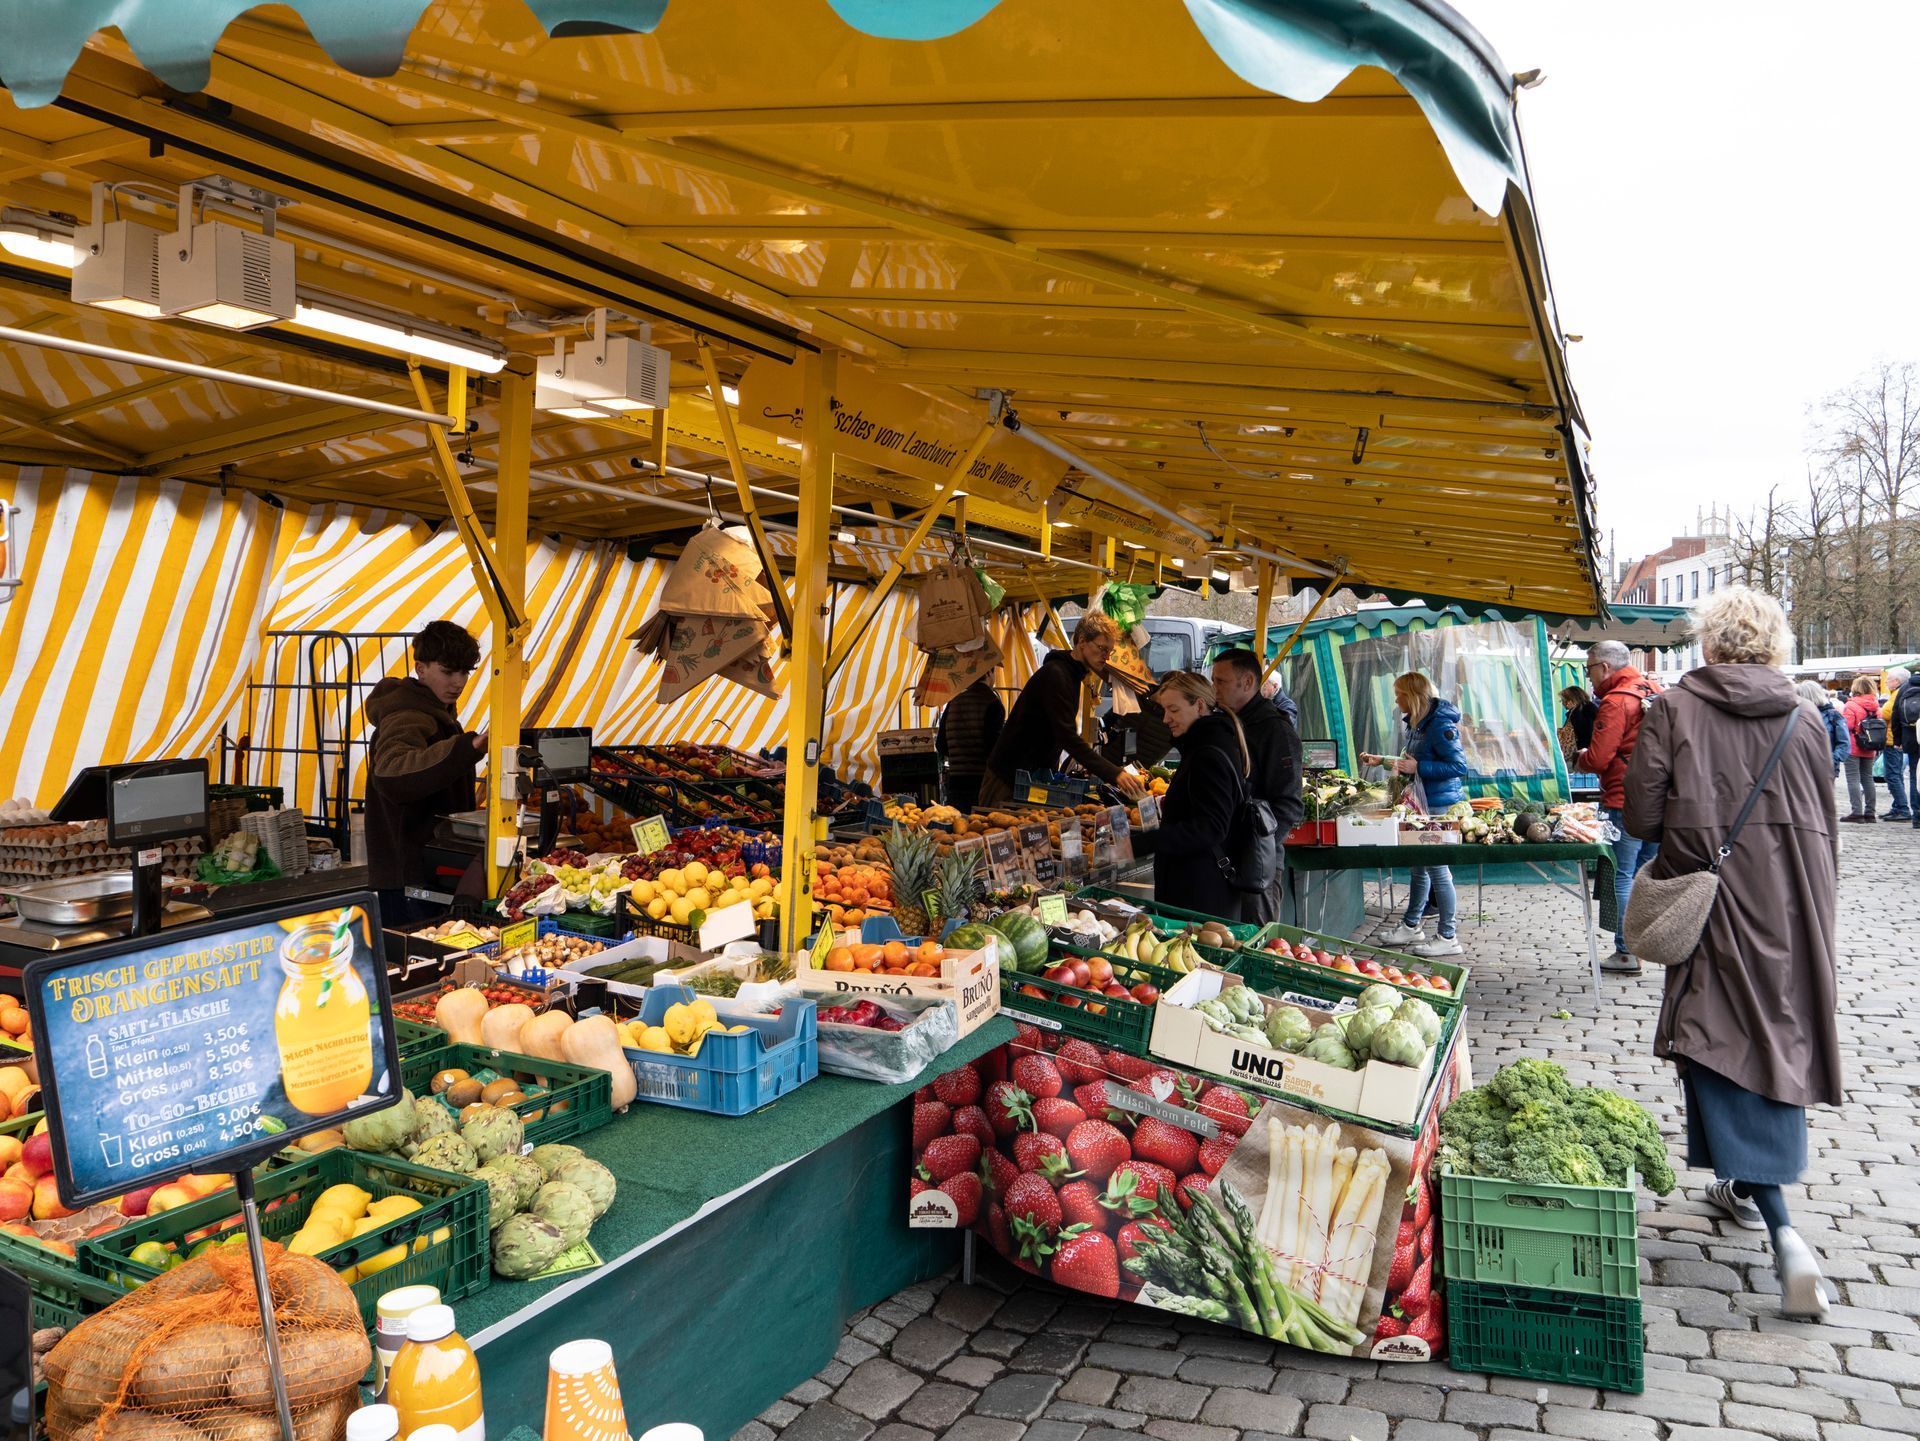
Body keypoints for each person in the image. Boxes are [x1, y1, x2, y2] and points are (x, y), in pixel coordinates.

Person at [1623, 587, 1839, 1321]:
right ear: (1775, 644)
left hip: (1710, 905)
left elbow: (1642, 815)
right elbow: (1823, 824)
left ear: (1709, 644)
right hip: (1790, 908)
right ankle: (1745, 1189)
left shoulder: (1675, 707)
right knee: (1772, 1040)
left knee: (1716, 1041)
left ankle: (1784, 1230)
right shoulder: (1808, 717)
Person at [365, 620, 487, 927]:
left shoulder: (436, 711)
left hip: (426, 869)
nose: (457, 682)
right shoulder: (407, 713)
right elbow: (392, 771)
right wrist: (467, 747)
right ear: (421, 668)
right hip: (409, 876)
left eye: (464, 672)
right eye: (447, 671)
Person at [980, 610, 1146, 806]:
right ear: (1082, 641)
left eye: (1109, 651)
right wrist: (1114, 773)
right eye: (1102, 648)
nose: (1106, 656)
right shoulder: (1056, 675)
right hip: (1007, 778)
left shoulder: (1073, 676)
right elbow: (1066, 736)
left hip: (1031, 778)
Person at [1573, 639, 1663, 976]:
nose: (1589, 678)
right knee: (1647, 875)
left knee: (1623, 876)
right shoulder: (1654, 690)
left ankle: (1626, 952)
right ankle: (1646, 946)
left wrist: (1580, 758)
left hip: (1624, 798)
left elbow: (1599, 758)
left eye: (1589, 669)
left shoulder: (1616, 702)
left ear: (1605, 667)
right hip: (1660, 797)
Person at [1364, 673, 1468, 959]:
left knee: (1437, 869)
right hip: (1421, 805)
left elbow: (1459, 766)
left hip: (1438, 806)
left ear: (1412, 695)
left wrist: (1419, 767)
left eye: (1399, 694)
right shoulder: (1417, 723)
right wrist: (1383, 760)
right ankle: (1412, 924)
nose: (1396, 700)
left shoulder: (1440, 725)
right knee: (1418, 867)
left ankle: (1448, 935)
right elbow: (1412, 760)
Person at [1211, 648, 1304, 924]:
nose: (1214, 688)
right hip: (1222, 858)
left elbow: (1290, 804)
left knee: (1255, 941)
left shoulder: (1276, 730)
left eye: (1221, 681)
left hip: (1257, 867)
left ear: (1248, 683)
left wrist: (1257, 849)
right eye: (1213, 680)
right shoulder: (1225, 722)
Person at [1152, 671, 1252, 922]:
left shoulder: (1207, 753)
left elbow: (1211, 827)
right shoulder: (1209, 743)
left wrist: (1145, 842)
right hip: (1200, 887)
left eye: (1173, 710)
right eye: (1164, 710)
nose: (1166, 719)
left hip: (1200, 893)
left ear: (1198, 706)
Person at [934, 676, 1004, 815]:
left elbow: (941, 745)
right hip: (981, 784)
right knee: (980, 827)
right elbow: (994, 749)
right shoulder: (993, 703)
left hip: (956, 782)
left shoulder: (953, 702)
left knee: (958, 828)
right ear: (990, 672)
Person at [1840, 676, 1883, 822]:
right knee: (1868, 778)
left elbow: (1847, 726)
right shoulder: (1876, 706)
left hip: (1853, 746)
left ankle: (1857, 812)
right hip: (1870, 746)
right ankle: (1870, 812)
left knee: (1853, 779)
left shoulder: (1851, 705)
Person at [1878, 668, 1913, 821]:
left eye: (1889, 679)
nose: (1886, 682)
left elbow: (1886, 713)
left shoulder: (1897, 694)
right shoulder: (1897, 693)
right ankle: (1897, 806)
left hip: (1892, 740)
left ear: (1897, 681)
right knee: (1895, 774)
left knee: (1892, 775)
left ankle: (1902, 808)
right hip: (1893, 739)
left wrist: (1879, 711)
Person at [1798, 681, 1849, 779]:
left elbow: (1844, 743)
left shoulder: (1833, 715)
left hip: (1825, 769)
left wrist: (1832, 760)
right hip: (1802, 767)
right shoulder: (1798, 714)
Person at [1894, 667, 1920, 830]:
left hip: (1910, 736)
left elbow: (1896, 713)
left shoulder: (1905, 687)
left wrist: (1898, 740)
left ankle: (1917, 815)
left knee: (1914, 775)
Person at [1560, 684, 1599, 752]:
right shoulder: (1589, 707)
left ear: (1570, 700)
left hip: (1585, 751)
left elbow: (1581, 731)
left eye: (1563, 700)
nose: (1562, 703)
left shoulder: (1581, 711)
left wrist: (1573, 711)